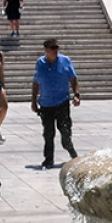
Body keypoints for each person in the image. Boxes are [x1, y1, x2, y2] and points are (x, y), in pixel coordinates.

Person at [31, 38, 80, 170]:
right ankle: (48, 159)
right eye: (53, 48)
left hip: (62, 102)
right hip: (46, 104)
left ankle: (72, 153)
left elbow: (73, 79)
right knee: (48, 133)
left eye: (57, 47)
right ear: (46, 49)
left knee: (65, 132)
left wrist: (76, 95)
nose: (55, 50)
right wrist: (33, 101)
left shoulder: (65, 61)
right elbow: (36, 83)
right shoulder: (40, 63)